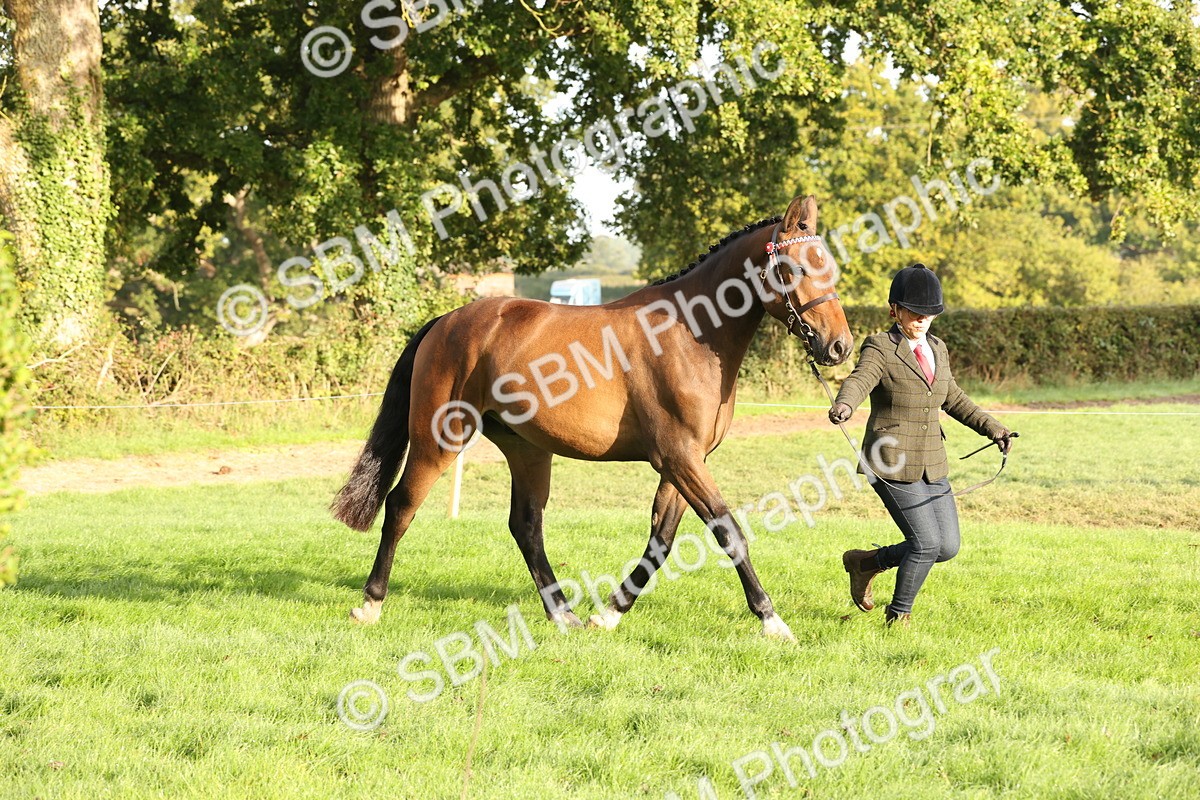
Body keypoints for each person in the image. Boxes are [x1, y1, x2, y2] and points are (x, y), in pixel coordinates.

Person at [828, 263, 1013, 627]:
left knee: (946, 548)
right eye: (915, 312)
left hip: (932, 461)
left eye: (929, 313)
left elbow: (953, 397)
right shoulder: (881, 346)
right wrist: (845, 404)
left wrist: (994, 429)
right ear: (894, 309)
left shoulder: (938, 349)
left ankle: (866, 563)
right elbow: (860, 378)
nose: (922, 320)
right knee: (925, 543)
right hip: (891, 460)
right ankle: (898, 617)